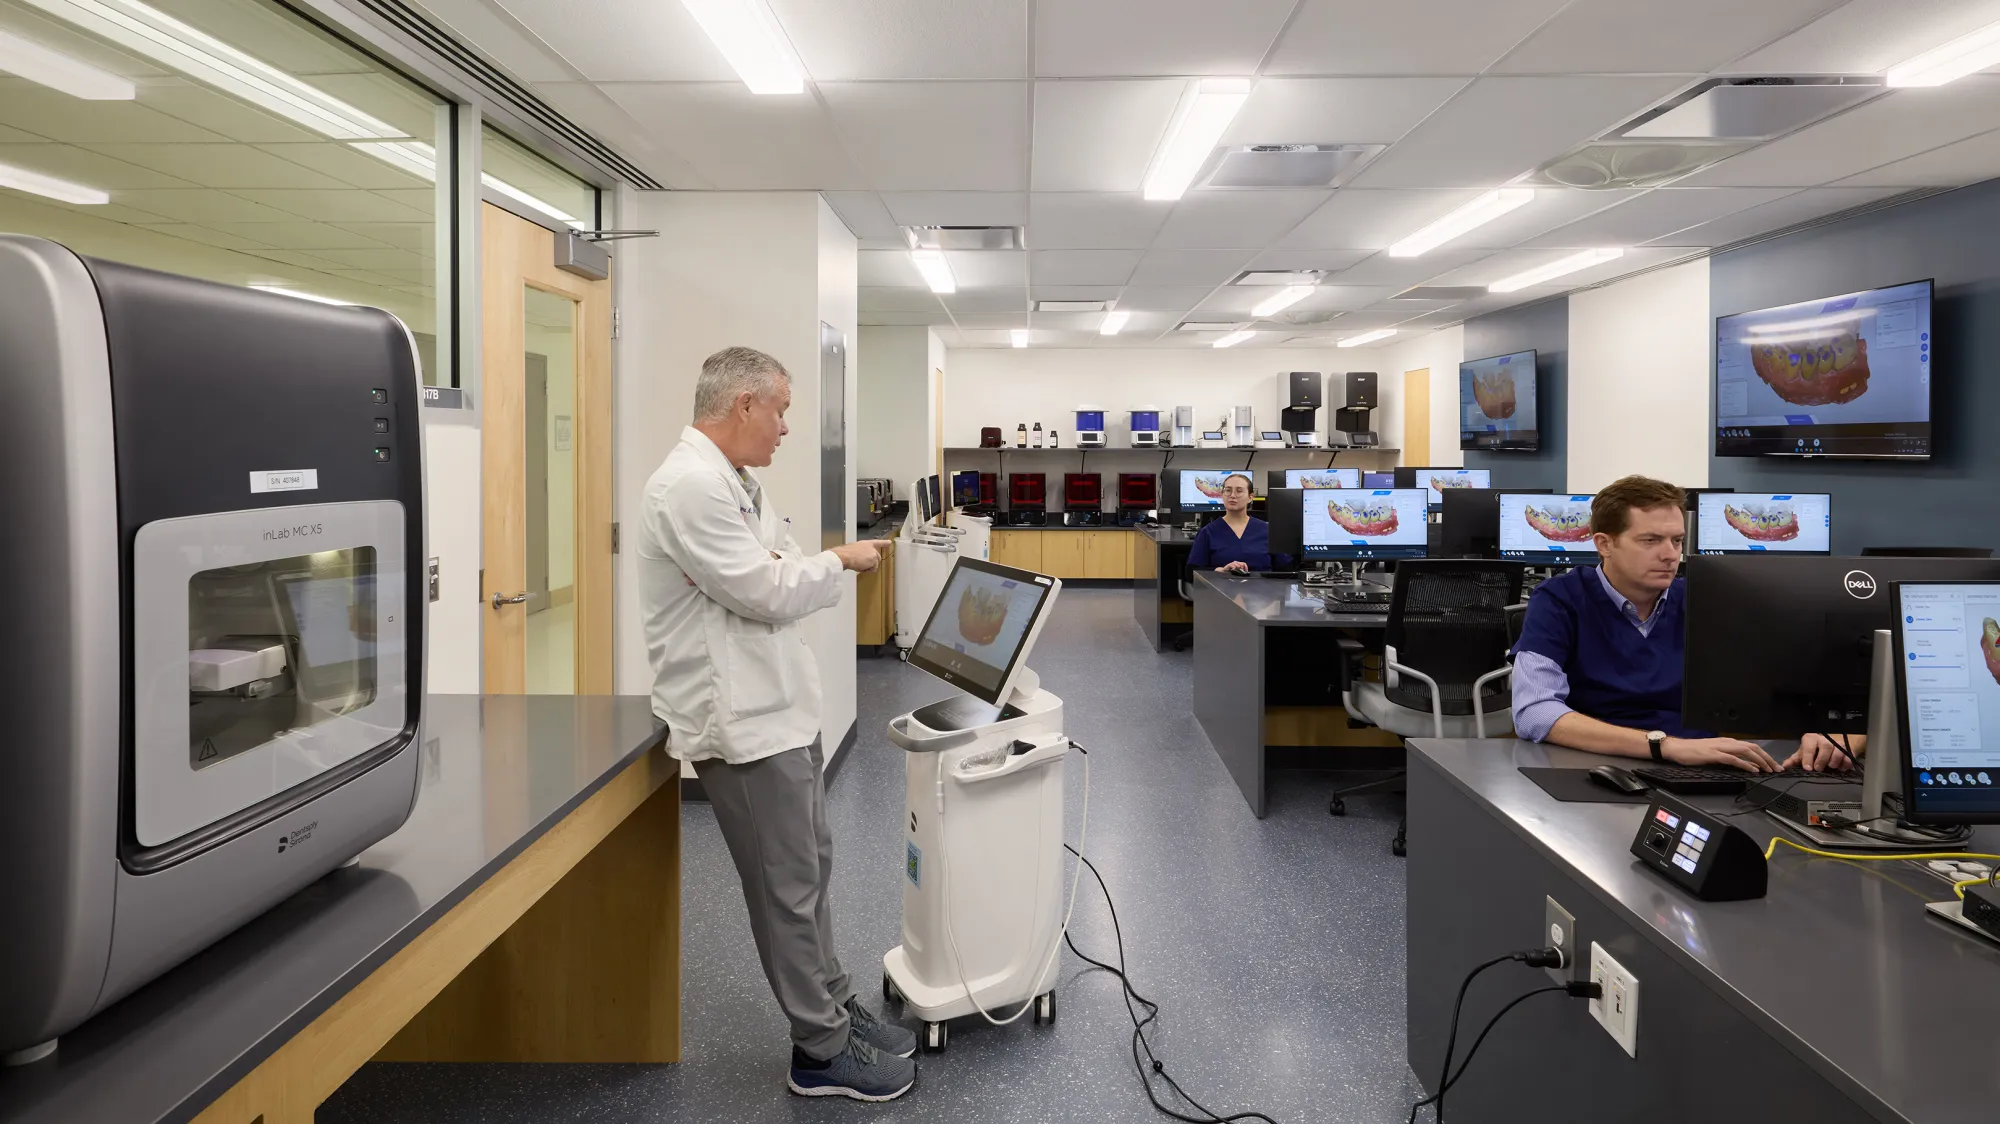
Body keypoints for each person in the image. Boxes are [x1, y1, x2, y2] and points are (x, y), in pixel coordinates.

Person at [637, 346, 917, 1102]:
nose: (788, 426)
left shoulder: (736, 483)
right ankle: (819, 1052)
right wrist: (840, 562)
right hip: (744, 725)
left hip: (779, 714)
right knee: (785, 890)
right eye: (783, 410)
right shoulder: (689, 487)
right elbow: (767, 586)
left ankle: (834, 1007)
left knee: (812, 875)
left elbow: (780, 565)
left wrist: (811, 569)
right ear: (744, 406)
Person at [1510, 474, 1850, 773]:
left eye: (1676, 540)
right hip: (1594, 762)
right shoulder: (1560, 599)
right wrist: (1664, 746)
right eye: (1651, 540)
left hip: (1700, 762)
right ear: (1604, 544)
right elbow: (1535, 711)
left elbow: (1802, 677)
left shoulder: (1706, 599)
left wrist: (1843, 731)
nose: (1671, 554)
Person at [1188, 473, 1291, 573]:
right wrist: (1219, 571)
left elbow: (1286, 569)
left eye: (1239, 491)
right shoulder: (1207, 532)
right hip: (1223, 587)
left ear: (1251, 497)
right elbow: (1191, 572)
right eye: (1228, 490)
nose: (1232, 495)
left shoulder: (1268, 531)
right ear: (1222, 495)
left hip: (1262, 588)